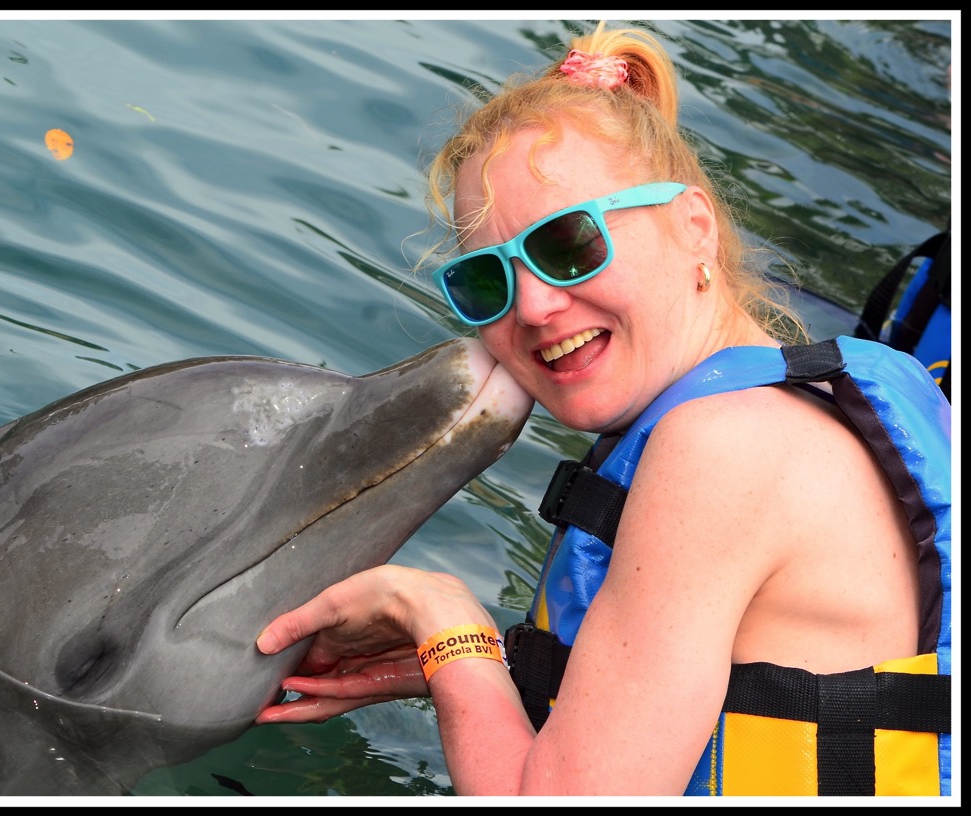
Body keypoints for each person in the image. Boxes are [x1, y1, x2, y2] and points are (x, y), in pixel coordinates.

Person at [254, 22, 952, 797]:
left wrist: (442, 618)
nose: (537, 306)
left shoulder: (726, 447)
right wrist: (500, 669)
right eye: (487, 281)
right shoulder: (816, 401)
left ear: (695, 227)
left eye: (572, 245)